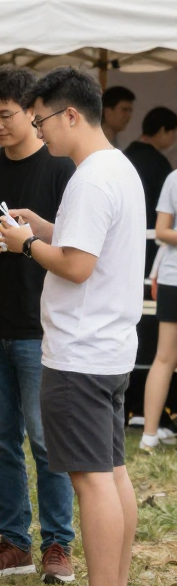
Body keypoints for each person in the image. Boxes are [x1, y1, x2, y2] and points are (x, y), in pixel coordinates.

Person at [0, 67, 145, 586]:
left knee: (91, 480)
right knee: (112, 472)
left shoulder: (88, 177)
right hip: (110, 346)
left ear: (71, 115)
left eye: (41, 121)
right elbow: (88, 246)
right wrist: (47, 228)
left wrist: (26, 243)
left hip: (79, 351)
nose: (40, 133)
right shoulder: (120, 168)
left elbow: (78, 267)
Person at [0, 67, 77, 584]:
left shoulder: (59, 169)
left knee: (47, 440)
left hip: (41, 326)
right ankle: (14, 542)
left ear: (33, 111)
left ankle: (58, 544)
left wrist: (30, 241)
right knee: (1, 440)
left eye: (5, 115)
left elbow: (75, 248)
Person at [139, 165, 177, 452]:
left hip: (170, 277)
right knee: (164, 357)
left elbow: (163, 231)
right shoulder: (174, 178)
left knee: (163, 358)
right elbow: (162, 231)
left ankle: (150, 434)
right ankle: (149, 434)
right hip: (172, 278)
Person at [124, 106, 177, 276]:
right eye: (173, 133)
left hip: (124, 236)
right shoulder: (159, 163)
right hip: (151, 240)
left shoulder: (124, 155)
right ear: (162, 131)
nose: (174, 139)